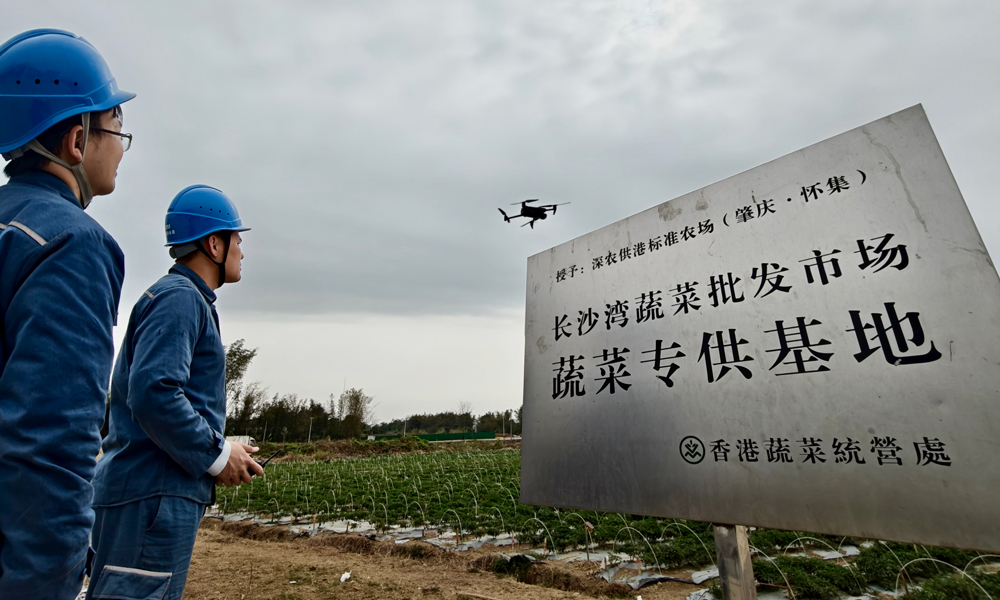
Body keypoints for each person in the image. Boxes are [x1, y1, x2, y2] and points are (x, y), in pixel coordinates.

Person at [0, 29, 135, 599]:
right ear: (77, 140)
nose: (122, 145)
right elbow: (50, 448)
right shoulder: (71, 244)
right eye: (116, 128)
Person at [87, 185, 262, 600]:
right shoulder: (180, 300)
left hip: (149, 493)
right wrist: (218, 457)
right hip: (153, 497)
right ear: (214, 244)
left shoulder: (181, 299)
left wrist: (224, 446)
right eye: (237, 238)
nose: (241, 249)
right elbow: (155, 393)